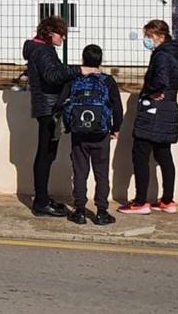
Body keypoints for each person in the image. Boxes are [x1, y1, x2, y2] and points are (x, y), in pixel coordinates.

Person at [119, 19, 178, 215]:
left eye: (149, 37)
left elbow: (160, 81)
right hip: (169, 108)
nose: (147, 40)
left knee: (140, 154)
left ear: (160, 36)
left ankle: (140, 202)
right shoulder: (176, 54)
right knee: (163, 154)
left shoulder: (162, 56)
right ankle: (167, 200)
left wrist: (149, 91)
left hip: (154, 110)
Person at [54, 44, 123, 226]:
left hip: (79, 135)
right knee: (101, 173)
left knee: (80, 172)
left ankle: (79, 211)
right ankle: (101, 212)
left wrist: (68, 124)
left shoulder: (75, 80)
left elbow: (61, 103)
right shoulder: (108, 81)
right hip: (101, 135)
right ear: (100, 60)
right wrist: (116, 129)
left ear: (83, 59)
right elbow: (117, 107)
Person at [22, 16, 83, 217]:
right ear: (50, 33)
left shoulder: (39, 50)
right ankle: (41, 202)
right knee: (46, 154)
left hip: (46, 107)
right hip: (48, 109)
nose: (63, 38)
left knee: (47, 154)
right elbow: (52, 76)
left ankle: (43, 198)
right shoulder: (43, 51)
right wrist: (78, 70)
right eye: (61, 34)